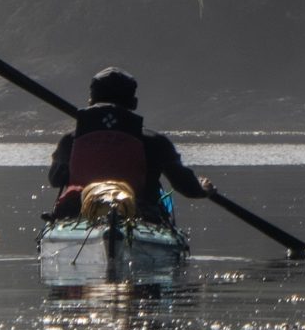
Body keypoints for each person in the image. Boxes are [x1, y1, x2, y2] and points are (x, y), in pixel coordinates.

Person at [47, 67, 213, 223]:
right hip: (142, 215)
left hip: (81, 213)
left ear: (91, 101)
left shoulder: (71, 140)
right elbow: (186, 187)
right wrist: (202, 188)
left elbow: (55, 180)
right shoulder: (155, 141)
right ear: (134, 103)